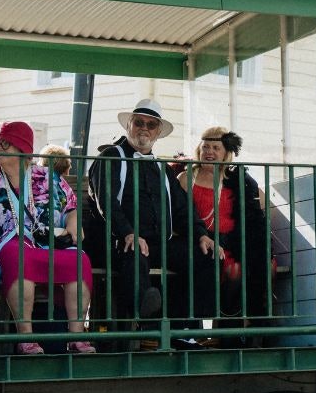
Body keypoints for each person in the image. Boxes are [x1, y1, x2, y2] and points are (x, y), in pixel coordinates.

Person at [86, 99, 204, 332]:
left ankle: (185, 328)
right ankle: (147, 320)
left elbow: (182, 208)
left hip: (159, 243)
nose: (144, 128)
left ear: (158, 132)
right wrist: (128, 232)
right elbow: (105, 201)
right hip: (117, 241)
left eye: (151, 125)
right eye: (139, 122)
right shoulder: (111, 157)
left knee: (201, 254)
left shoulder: (161, 168)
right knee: (135, 253)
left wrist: (201, 234)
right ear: (128, 125)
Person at [0, 122, 94, 355]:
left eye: (4, 144)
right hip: (10, 242)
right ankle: (26, 337)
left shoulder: (47, 175)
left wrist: (72, 224)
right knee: (17, 255)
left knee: (79, 260)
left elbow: (71, 206)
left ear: (22, 149)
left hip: (48, 241)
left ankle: (76, 337)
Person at [175, 126, 268, 331]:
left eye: (216, 148)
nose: (209, 152)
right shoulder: (186, 178)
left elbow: (261, 203)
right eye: (205, 147)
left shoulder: (237, 180)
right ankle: (220, 325)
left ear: (226, 152)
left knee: (265, 265)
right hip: (199, 242)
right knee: (231, 270)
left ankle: (233, 328)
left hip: (232, 243)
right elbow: (179, 215)